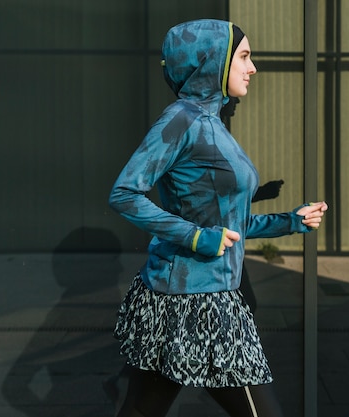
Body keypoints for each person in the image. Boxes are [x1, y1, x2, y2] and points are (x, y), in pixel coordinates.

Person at [108, 19, 328, 417]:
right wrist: (195, 238)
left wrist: (291, 221)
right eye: (244, 56)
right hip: (197, 302)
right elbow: (124, 193)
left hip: (198, 296)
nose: (252, 68)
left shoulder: (212, 124)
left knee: (141, 411)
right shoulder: (182, 120)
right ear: (211, 62)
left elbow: (227, 226)